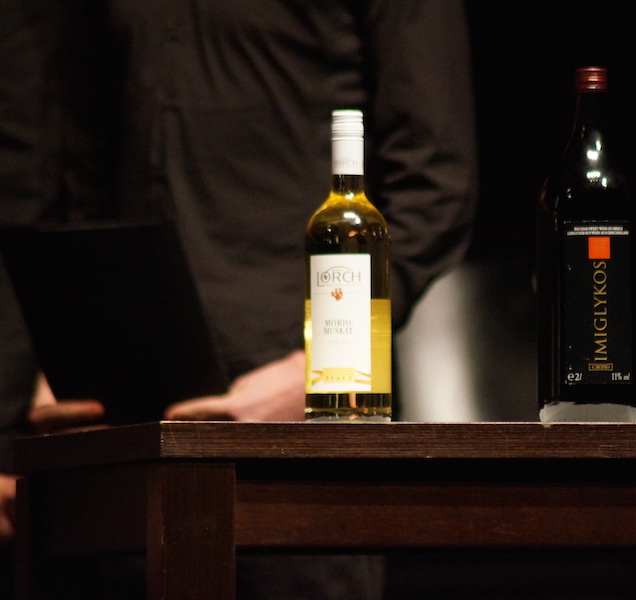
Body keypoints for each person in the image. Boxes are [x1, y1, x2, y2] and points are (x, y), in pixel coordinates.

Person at [0, 0, 478, 598]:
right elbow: (78, 165)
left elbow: (436, 180)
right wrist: (62, 349)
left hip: (294, 412)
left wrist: (317, 372)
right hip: (127, 414)